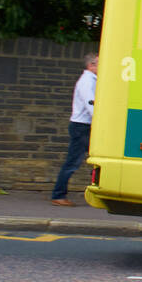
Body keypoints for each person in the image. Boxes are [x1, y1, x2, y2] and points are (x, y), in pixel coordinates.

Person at [50, 53, 98, 207]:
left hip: (85, 126)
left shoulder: (92, 81)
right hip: (82, 126)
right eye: (99, 63)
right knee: (73, 162)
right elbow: (90, 103)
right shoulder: (86, 82)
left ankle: (100, 193)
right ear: (91, 65)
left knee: (97, 159)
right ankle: (58, 195)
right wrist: (100, 120)